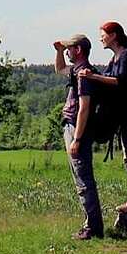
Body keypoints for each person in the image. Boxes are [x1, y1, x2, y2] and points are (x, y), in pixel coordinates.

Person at [78, 21, 127, 215]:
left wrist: (93, 77)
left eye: (102, 34)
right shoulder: (115, 58)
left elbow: (120, 82)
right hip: (126, 110)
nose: (100, 38)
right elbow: (108, 79)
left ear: (113, 35)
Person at [54, 33, 103, 240]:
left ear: (79, 50)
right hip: (72, 126)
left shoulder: (84, 74)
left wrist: (77, 139)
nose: (67, 52)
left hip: (77, 128)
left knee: (83, 180)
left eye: (69, 49)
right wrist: (58, 51)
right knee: (80, 178)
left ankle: (92, 228)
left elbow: (84, 108)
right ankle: (91, 226)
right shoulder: (77, 71)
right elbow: (60, 69)